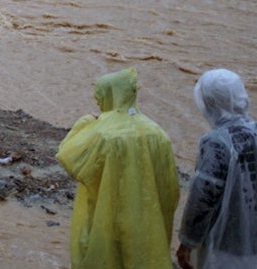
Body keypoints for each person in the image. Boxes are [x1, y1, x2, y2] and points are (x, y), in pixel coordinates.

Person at [58, 66, 178, 269]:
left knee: (109, 257)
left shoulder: (101, 133)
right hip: (146, 218)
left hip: (107, 215)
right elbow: (169, 186)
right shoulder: (158, 133)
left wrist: (83, 123)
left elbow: (69, 158)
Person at [178, 69, 257, 269]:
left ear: (209, 103)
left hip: (228, 247)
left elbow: (202, 197)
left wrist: (187, 242)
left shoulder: (216, 142)